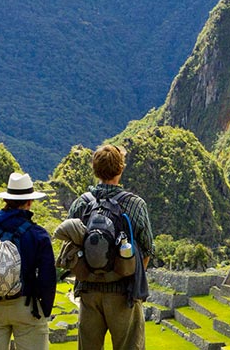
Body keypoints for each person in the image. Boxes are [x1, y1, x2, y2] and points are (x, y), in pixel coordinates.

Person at [67, 143, 154, 350]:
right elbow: (148, 249)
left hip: (89, 292)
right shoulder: (134, 204)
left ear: (95, 170)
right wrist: (128, 271)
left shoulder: (81, 204)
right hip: (123, 293)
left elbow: (70, 246)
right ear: (121, 169)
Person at [0, 172, 57, 350]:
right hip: (27, 306)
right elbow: (47, 278)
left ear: (7, 200)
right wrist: (44, 310)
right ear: (30, 202)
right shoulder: (38, 234)